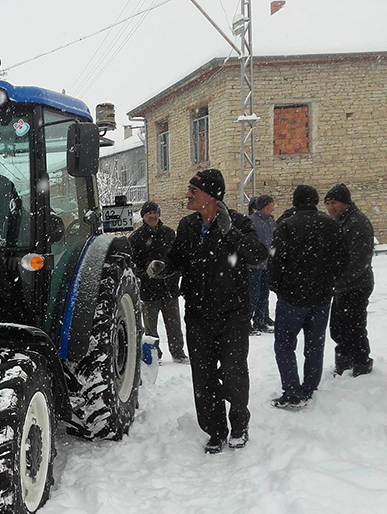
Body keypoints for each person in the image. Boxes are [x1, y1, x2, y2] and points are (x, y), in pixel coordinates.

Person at [148, 169, 267, 454]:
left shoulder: (237, 222)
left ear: (211, 195)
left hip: (233, 313)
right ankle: (215, 430)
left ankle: (238, 425)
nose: (187, 195)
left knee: (234, 372)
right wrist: (163, 266)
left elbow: (258, 255)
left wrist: (231, 233)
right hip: (198, 313)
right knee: (203, 377)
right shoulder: (188, 225)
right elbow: (177, 258)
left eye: (193, 190)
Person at [269, 185, 347, 409]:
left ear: (295, 202)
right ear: (315, 201)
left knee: (284, 344)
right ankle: (310, 386)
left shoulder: (287, 226)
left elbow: (275, 260)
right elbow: (342, 259)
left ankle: (293, 391)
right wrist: (329, 282)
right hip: (321, 296)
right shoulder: (332, 225)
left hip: (293, 296)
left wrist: (279, 287)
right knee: (315, 343)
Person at [324, 183, 375, 376]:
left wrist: (339, 281)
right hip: (342, 285)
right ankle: (344, 360)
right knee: (338, 327)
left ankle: (361, 363)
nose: (330, 207)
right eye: (327, 203)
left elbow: (359, 261)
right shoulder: (341, 221)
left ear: (345, 203)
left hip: (356, 285)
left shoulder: (357, 223)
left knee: (354, 326)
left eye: (334, 202)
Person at [128, 201, 188, 363]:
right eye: (148, 213)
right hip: (149, 290)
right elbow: (131, 265)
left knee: (174, 324)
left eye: (155, 212)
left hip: (169, 287)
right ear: (143, 217)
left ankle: (178, 352)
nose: (152, 216)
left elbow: (179, 258)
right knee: (150, 327)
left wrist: (174, 274)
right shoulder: (136, 238)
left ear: (159, 214)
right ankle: (154, 355)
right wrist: (145, 274)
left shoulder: (169, 234)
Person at [247, 195, 276, 334]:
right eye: (271, 204)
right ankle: (247, 323)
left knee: (264, 294)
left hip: (267, 264)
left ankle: (260, 321)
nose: (273, 206)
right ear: (265, 206)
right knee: (253, 295)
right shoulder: (251, 221)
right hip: (254, 265)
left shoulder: (270, 221)